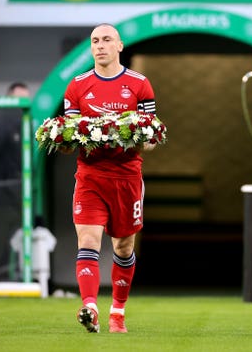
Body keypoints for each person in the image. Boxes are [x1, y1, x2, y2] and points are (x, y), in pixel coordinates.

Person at [62, 24, 158, 333]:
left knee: (123, 246)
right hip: (90, 177)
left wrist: (128, 136)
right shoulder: (77, 87)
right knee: (88, 240)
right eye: (94, 41)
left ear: (119, 45)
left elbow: (152, 139)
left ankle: (118, 311)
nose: (100, 45)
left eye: (106, 40)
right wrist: (65, 140)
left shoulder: (140, 85)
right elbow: (68, 138)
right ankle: (90, 306)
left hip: (127, 179)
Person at [0, 82, 30, 281]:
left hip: (12, 195)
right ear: (8, 98)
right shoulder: (5, 120)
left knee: (4, 241)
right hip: (0, 196)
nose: (20, 104)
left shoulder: (20, 123)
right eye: (17, 99)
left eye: (24, 99)